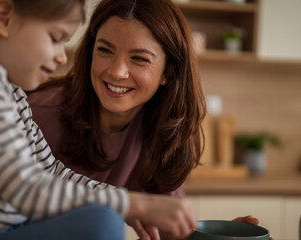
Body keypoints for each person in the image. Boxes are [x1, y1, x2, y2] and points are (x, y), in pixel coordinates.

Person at [0, 0, 198, 239]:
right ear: (3, 18)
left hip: (9, 229)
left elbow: (51, 171)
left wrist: (126, 203)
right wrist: (132, 203)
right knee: (101, 221)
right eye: (55, 38)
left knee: (103, 216)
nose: (62, 57)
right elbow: (28, 189)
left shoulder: (9, 92)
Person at [27, 0, 273, 239]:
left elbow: (167, 233)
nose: (117, 71)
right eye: (104, 50)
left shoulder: (162, 127)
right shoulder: (37, 114)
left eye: (139, 58)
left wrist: (206, 238)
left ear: (168, 72)